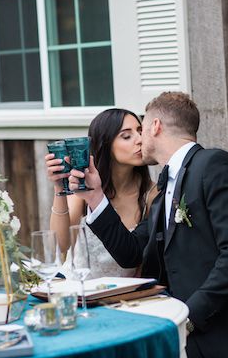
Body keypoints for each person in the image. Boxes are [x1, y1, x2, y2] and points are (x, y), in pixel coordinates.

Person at [68, 92, 228, 358]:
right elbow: (131, 253)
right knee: (95, 356)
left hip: (214, 338)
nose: (139, 138)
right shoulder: (166, 187)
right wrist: (95, 196)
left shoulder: (215, 165)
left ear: (155, 126)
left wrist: (188, 317)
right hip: (171, 324)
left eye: (141, 128)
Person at [45, 108, 157, 278]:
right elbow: (59, 245)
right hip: (77, 288)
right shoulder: (85, 188)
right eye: (126, 136)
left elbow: (142, 262)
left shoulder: (151, 194)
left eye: (141, 132)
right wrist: (59, 188)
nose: (140, 140)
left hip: (122, 297)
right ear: (105, 144)